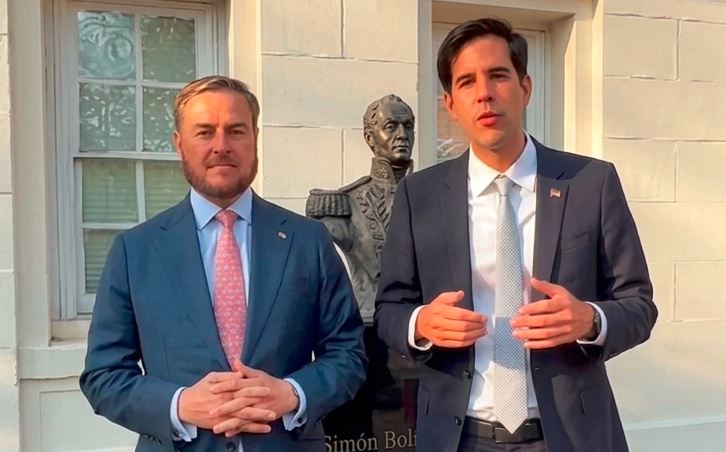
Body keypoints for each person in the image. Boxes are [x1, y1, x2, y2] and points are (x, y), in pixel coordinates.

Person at [374, 18, 657, 452]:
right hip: (458, 436)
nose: (484, 93)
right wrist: (420, 324)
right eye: (467, 82)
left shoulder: (590, 183)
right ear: (450, 104)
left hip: (569, 435)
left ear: (525, 88)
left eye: (498, 75)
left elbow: (638, 305)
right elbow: (389, 309)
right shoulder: (420, 195)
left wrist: (590, 320)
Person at [80, 75, 367, 452]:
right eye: (204, 132)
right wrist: (180, 405)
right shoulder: (135, 251)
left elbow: (348, 354)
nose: (221, 146)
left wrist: (293, 394)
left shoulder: (307, 241)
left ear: (255, 139)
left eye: (236, 131)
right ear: (179, 144)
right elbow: (103, 375)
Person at [306, 94, 415, 322]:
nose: (402, 135)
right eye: (391, 127)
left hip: (424, 324)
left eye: (407, 127)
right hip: (368, 322)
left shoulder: (431, 196)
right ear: (370, 138)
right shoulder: (344, 204)